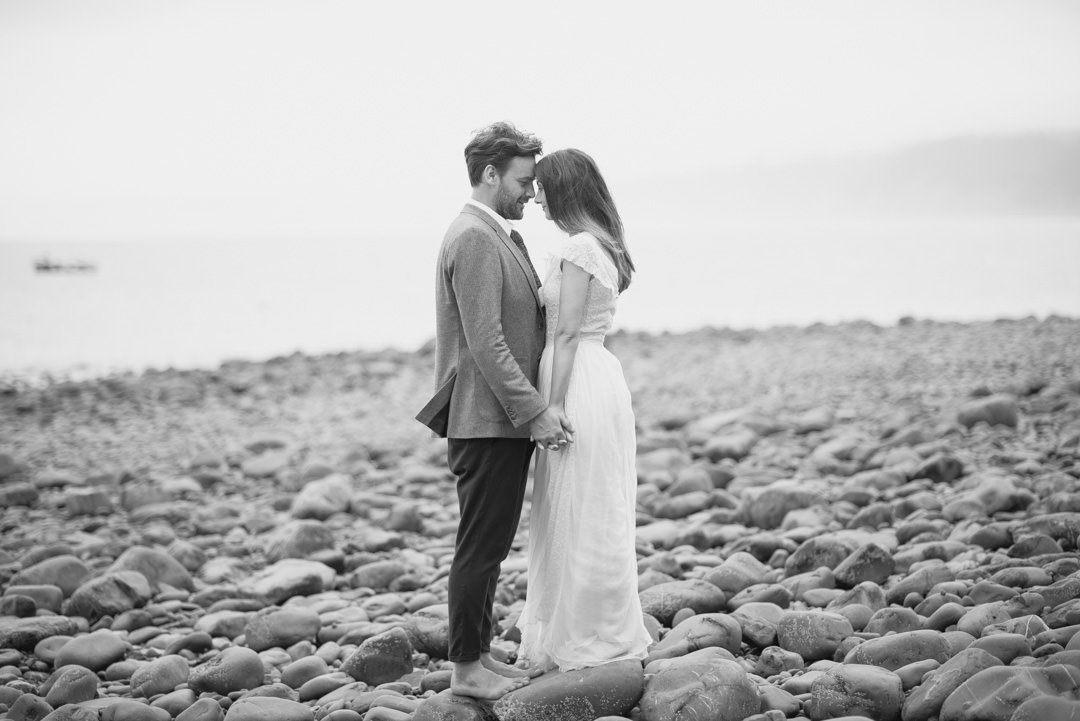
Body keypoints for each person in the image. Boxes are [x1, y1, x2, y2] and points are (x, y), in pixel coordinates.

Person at [415, 121, 574, 700]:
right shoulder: (475, 237)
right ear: (490, 174)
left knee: (491, 542)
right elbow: (485, 341)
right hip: (486, 420)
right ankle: (465, 670)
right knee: (479, 546)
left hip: (496, 420)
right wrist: (533, 410)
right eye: (524, 181)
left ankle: (479, 654)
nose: (531, 193)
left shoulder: (495, 232)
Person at [515, 148, 653, 672]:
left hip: (576, 381)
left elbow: (568, 331)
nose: (537, 196)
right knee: (594, 502)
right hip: (600, 375)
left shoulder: (579, 246)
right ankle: (594, 624)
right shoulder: (605, 243)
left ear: (565, 189)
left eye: (543, 186)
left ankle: (586, 635)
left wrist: (549, 406)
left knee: (577, 504)